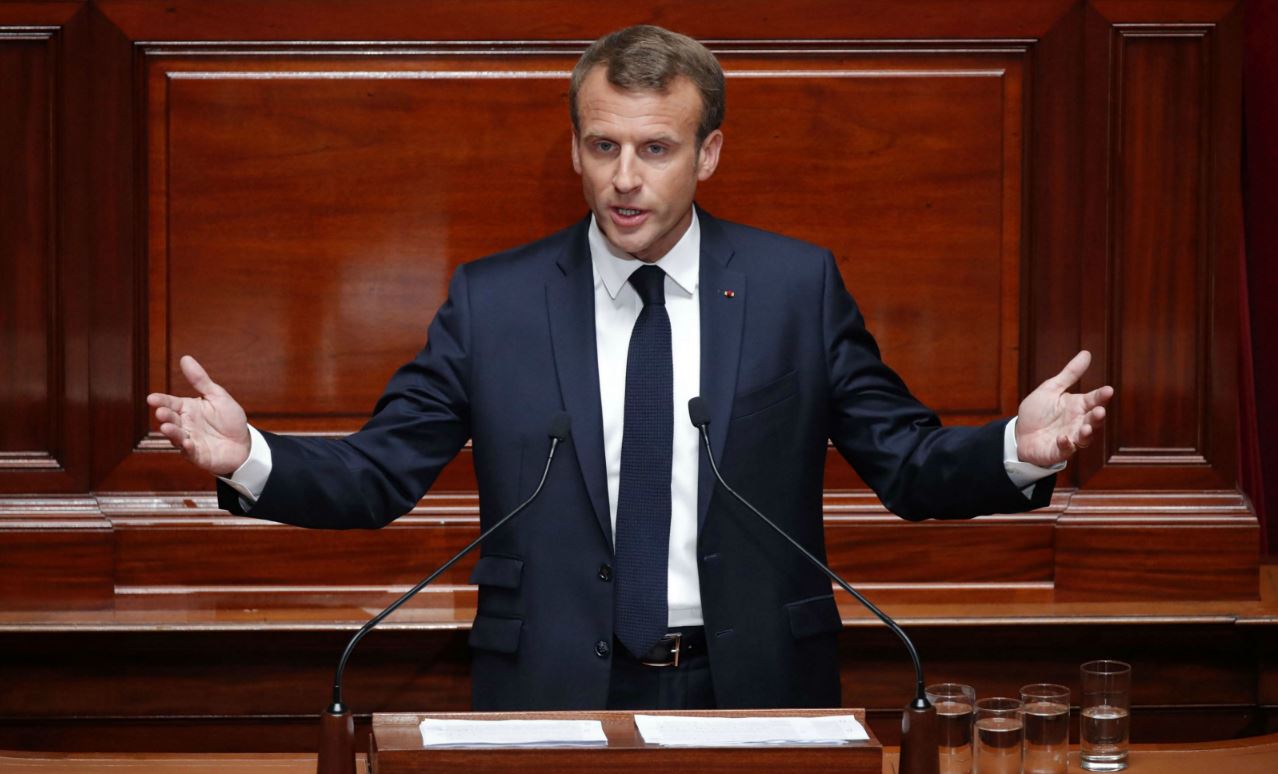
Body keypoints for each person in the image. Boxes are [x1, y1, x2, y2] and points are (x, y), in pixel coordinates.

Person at [147, 25, 1112, 712]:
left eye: (656, 149)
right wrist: (251, 456)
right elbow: (379, 471)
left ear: (709, 152)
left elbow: (905, 462)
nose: (624, 179)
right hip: (550, 690)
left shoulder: (794, 287)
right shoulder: (496, 301)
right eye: (603, 146)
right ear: (574, 146)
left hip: (755, 685)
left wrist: (1014, 449)